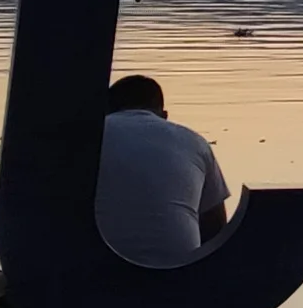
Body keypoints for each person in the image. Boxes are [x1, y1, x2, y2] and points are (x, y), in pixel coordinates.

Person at [94, 75, 229, 267]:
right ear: (164, 116)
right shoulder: (194, 141)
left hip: (99, 266)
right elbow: (216, 228)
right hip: (177, 265)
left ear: (107, 110)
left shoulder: (88, 138)